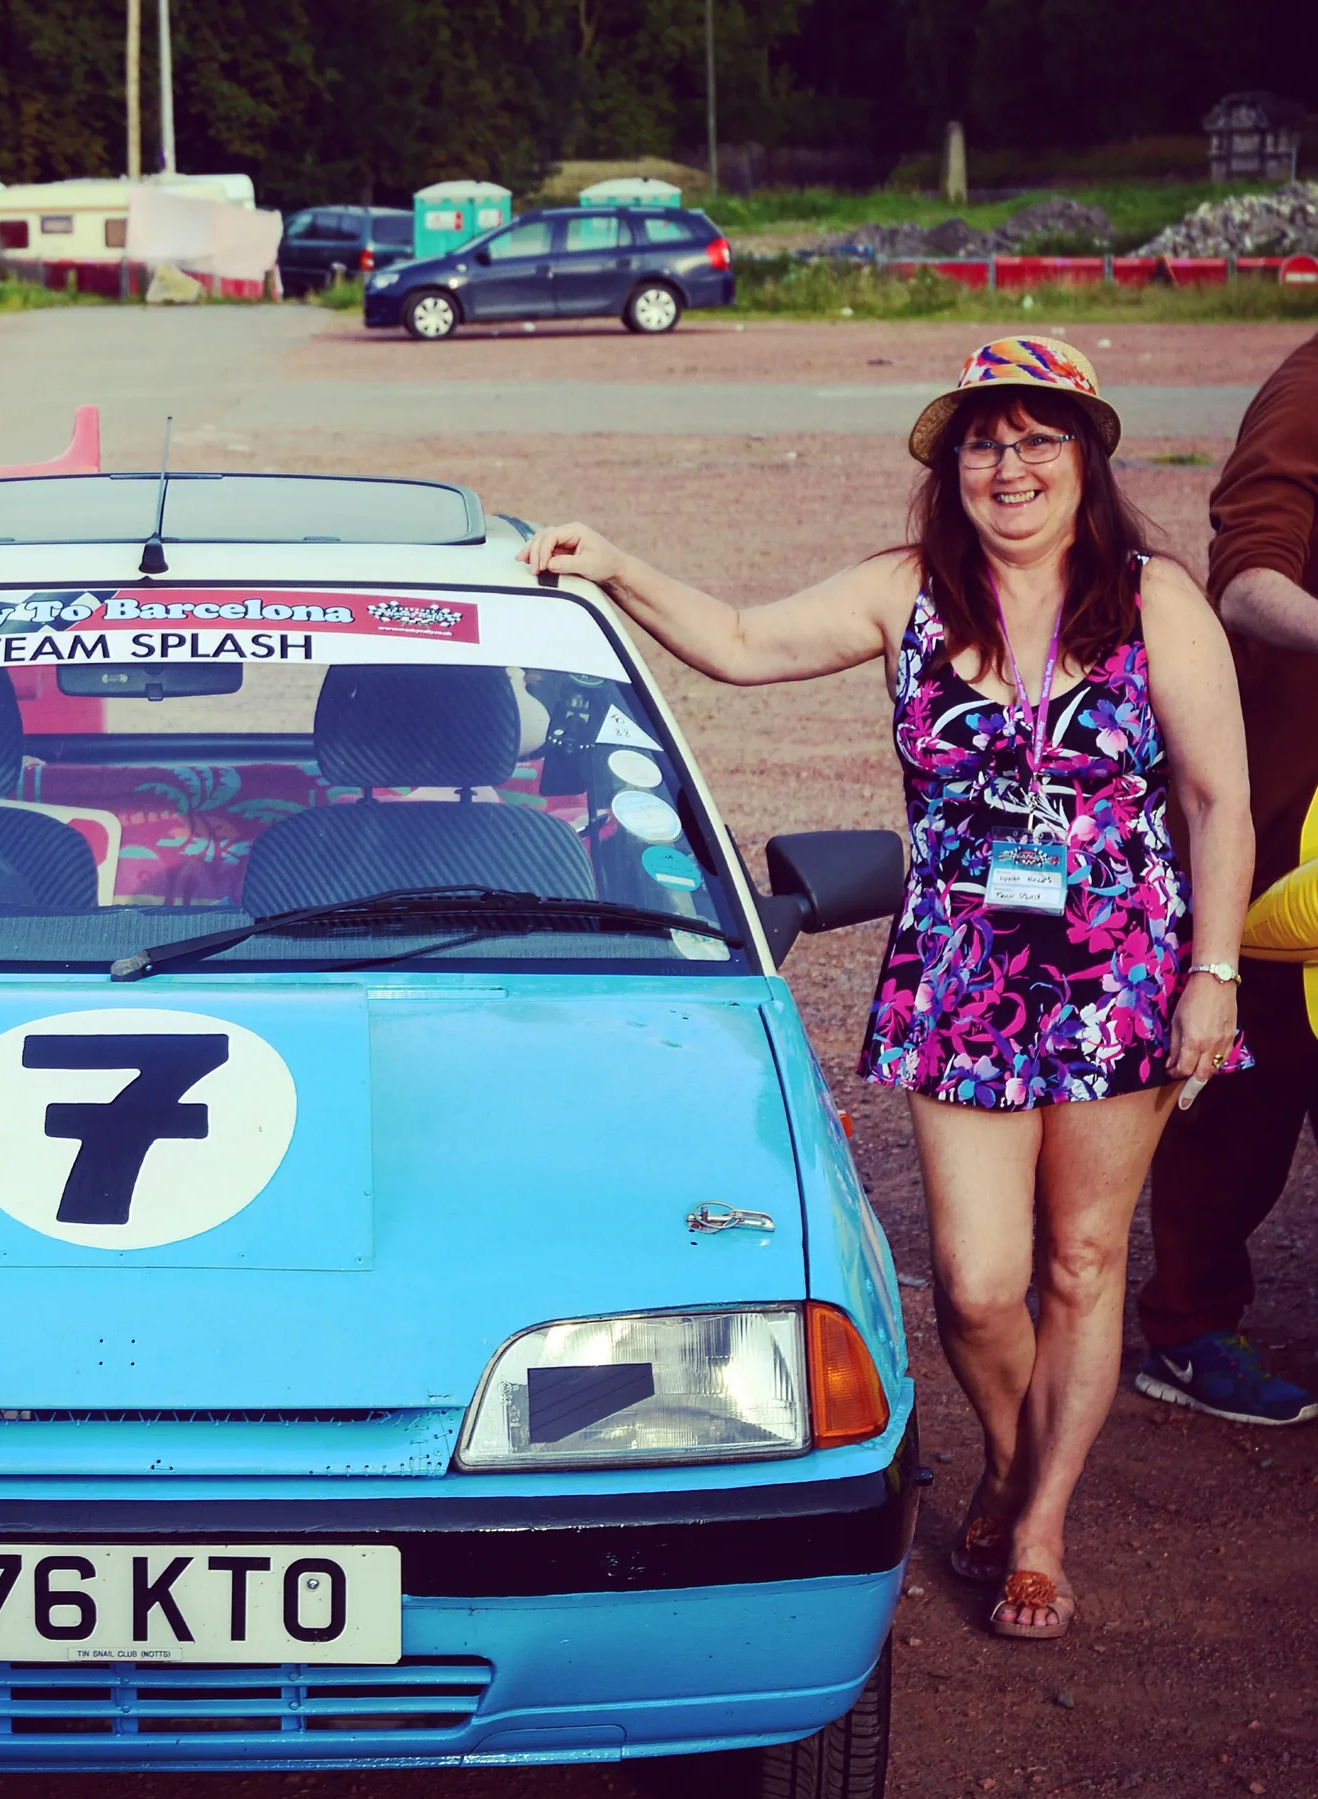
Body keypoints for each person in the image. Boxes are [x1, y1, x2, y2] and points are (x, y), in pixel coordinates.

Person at [519, 336, 1253, 1642]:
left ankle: (1035, 1523)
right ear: (950, 463)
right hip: (965, 973)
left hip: (1123, 971)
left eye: (1039, 437)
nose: (1010, 463)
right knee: (977, 1281)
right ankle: (1014, 1456)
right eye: (984, 438)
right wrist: (618, 566)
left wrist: (1214, 973)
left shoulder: (1156, 600)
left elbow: (1215, 797)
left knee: (1084, 1262)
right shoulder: (908, 592)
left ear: (1088, 455)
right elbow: (741, 644)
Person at [1140, 332, 1318, 1427]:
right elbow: (1247, 582)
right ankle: (1188, 1327)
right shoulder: (1308, 387)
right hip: (1280, 821)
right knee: (1243, 1084)